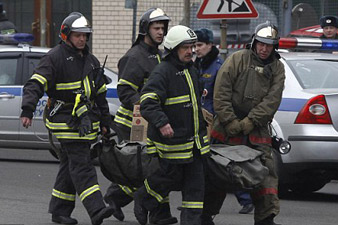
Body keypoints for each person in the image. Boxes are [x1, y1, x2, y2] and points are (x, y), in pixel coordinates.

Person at [20, 12, 117, 225]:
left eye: (85, 35)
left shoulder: (91, 61)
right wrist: (27, 110)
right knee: (82, 164)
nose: (82, 39)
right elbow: (35, 83)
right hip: (64, 120)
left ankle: (59, 211)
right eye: (77, 35)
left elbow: (99, 94)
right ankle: (97, 209)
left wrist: (104, 122)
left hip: (84, 120)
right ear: (66, 35)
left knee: (68, 165)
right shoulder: (54, 57)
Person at [104, 8, 177, 225]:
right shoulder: (134, 56)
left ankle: (152, 211)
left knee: (155, 167)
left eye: (163, 28)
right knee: (144, 170)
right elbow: (126, 92)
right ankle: (153, 210)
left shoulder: (160, 55)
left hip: (152, 122)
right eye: (156, 28)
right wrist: (147, 107)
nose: (161, 32)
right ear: (145, 28)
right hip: (132, 124)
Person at [209, 21, 285, 225]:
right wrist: (230, 121)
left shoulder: (277, 68)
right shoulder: (237, 59)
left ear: (274, 47)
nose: (264, 48)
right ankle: (205, 216)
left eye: (269, 45)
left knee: (266, 176)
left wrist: (250, 122)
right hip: (225, 130)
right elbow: (221, 92)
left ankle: (265, 218)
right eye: (261, 43)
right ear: (254, 42)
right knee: (217, 175)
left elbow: (272, 100)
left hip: (257, 131)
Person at [134, 25, 211, 225]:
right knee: (167, 179)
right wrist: (162, 122)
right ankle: (144, 198)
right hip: (173, 144)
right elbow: (148, 102)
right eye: (185, 47)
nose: (190, 51)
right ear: (173, 49)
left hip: (195, 144)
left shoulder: (192, 70)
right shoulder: (163, 72)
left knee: (196, 188)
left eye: (192, 46)